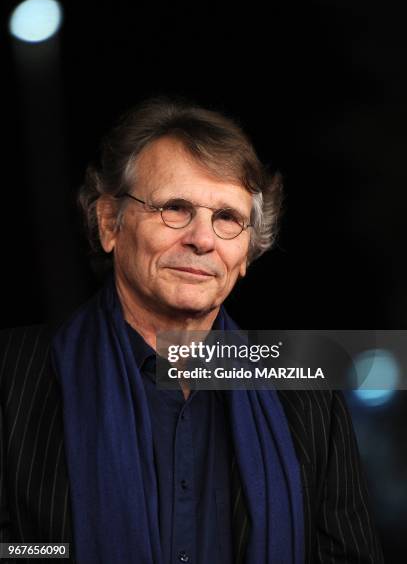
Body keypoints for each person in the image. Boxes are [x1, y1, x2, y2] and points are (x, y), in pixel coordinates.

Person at [0, 97, 383, 563]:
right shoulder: (11, 372)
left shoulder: (305, 391)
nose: (202, 239)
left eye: (227, 218)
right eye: (175, 208)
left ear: (246, 255)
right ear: (108, 223)